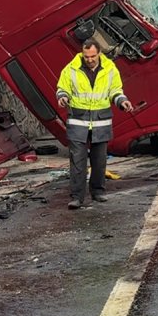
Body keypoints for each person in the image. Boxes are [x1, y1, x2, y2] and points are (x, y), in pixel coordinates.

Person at [56, 40, 133, 209]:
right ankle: (77, 197)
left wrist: (122, 101)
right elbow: (62, 88)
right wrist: (62, 97)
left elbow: (115, 90)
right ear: (82, 54)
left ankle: (98, 192)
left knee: (99, 160)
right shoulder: (71, 69)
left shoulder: (110, 69)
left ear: (99, 53)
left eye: (92, 56)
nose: (89, 60)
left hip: (100, 121)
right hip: (78, 121)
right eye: (86, 56)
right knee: (77, 160)